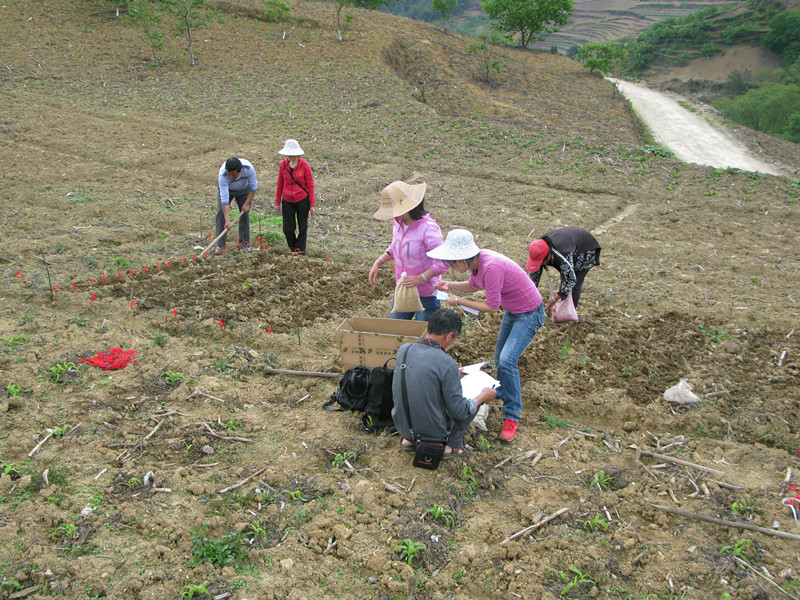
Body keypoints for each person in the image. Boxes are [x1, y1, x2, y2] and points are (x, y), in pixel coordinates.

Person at [428, 229, 544, 443]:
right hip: (514, 311)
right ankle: (503, 393)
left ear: (463, 259)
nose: (452, 267)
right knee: (500, 358)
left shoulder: (490, 266)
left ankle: (512, 416)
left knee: (508, 360)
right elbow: (473, 287)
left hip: (529, 313)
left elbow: (491, 307)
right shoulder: (477, 264)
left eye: (453, 263)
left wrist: (458, 301)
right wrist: (449, 285)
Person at [392, 309, 496, 457]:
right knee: (472, 401)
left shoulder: (405, 350)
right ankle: (450, 445)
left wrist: (453, 376)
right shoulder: (446, 363)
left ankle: (408, 440)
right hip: (432, 432)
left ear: (428, 328)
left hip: (401, 425)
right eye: (454, 339)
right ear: (449, 336)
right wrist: (483, 396)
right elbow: (459, 411)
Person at [368, 180, 450, 322]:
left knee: (423, 336)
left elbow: (444, 261)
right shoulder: (398, 224)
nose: (393, 216)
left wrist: (420, 278)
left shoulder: (428, 229)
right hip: (403, 291)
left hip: (426, 294)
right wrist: (378, 262)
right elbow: (395, 247)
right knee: (395, 331)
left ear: (407, 208)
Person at [526, 226, 601, 310]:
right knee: (564, 276)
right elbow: (533, 277)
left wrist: (555, 298)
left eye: (541, 261)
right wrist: (529, 296)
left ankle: (568, 314)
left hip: (585, 248)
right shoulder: (538, 248)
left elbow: (570, 279)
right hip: (569, 241)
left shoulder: (563, 254)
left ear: (548, 256)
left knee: (573, 286)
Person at [275, 139, 315, 255]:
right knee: (288, 228)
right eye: (288, 154)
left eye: (292, 155)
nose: (289, 157)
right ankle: (293, 249)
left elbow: (310, 185)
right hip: (287, 200)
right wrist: (278, 202)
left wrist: (312, 204)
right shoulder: (283, 165)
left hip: (302, 200)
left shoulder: (304, 166)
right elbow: (280, 184)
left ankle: (300, 250)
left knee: (303, 227)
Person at [215, 157, 257, 254]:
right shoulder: (223, 175)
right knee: (221, 213)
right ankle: (220, 245)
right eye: (229, 174)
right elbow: (224, 199)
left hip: (244, 190)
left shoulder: (248, 169)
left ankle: (244, 244)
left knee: (244, 215)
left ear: (240, 170)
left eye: (233, 175)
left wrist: (247, 203)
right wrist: (227, 220)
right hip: (228, 191)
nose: (230, 177)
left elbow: (253, 187)